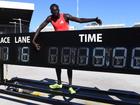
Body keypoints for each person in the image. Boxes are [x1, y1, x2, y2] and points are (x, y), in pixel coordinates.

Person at [32, 3, 102, 94]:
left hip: (67, 44)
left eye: (57, 10)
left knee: (69, 65)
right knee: (57, 64)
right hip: (58, 43)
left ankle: (70, 86)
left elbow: (80, 20)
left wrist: (94, 19)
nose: (56, 12)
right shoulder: (50, 18)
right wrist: (33, 41)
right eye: (54, 11)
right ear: (51, 12)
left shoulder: (65, 16)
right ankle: (59, 83)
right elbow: (39, 28)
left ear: (59, 10)